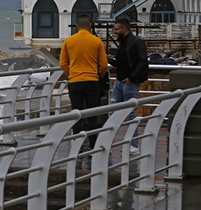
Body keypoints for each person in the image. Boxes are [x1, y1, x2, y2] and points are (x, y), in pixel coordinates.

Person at [59, 14, 108, 149]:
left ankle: (77, 145)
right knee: (92, 115)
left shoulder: (69, 41)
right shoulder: (96, 41)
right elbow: (104, 64)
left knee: (77, 114)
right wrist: (98, 75)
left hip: (75, 81)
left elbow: (62, 63)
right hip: (92, 81)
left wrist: (72, 74)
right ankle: (93, 145)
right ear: (90, 26)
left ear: (77, 26)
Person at [110, 18, 148, 154]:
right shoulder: (124, 43)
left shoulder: (136, 41)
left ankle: (134, 145)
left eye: (116, 29)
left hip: (129, 83)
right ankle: (108, 142)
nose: (114, 32)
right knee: (112, 111)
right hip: (120, 82)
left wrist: (132, 78)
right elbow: (123, 63)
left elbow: (143, 60)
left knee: (131, 114)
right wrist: (112, 61)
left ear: (124, 29)